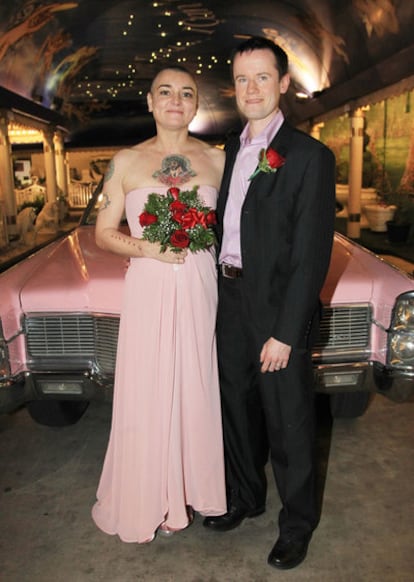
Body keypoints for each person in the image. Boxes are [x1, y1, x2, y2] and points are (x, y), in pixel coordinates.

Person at [203, 37, 336, 570]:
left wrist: (286, 332)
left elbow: (310, 257)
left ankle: (297, 524)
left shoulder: (310, 156)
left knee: (289, 419)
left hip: (276, 305)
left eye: (262, 77)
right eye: (241, 79)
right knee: (234, 405)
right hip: (229, 296)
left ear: (283, 83)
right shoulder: (232, 149)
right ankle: (246, 498)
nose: (251, 88)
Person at [92, 65, 226, 544]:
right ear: (150, 102)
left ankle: (189, 492)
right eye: (165, 92)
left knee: (195, 382)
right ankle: (148, 496)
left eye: (186, 93)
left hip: (200, 286)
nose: (176, 100)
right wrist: (149, 247)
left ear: (195, 105)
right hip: (148, 285)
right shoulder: (125, 161)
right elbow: (103, 233)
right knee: (149, 386)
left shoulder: (217, 160)